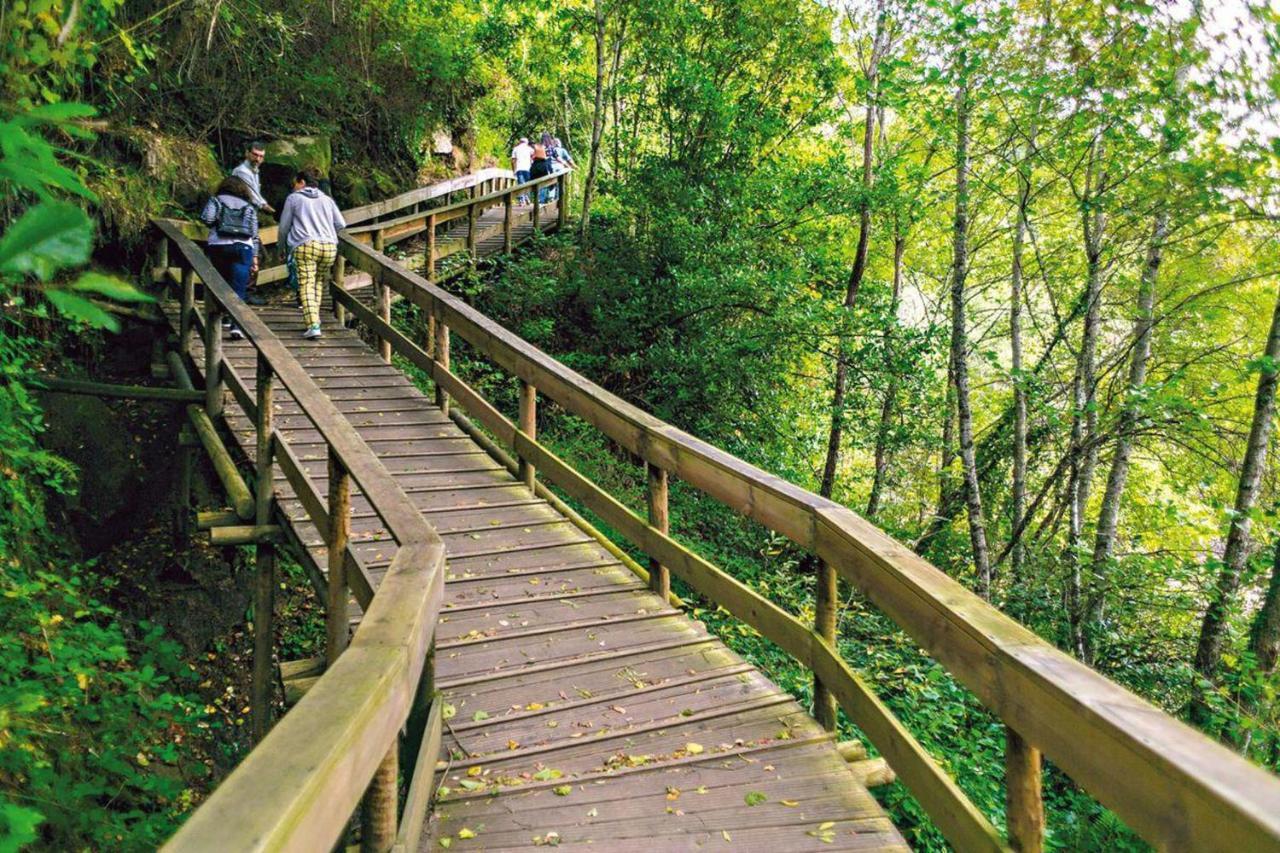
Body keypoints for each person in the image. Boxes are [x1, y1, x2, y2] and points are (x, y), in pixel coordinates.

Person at [277, 169, 346, 339]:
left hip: (305, 245)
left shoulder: (294, 198)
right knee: (318, 282)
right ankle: (315, 318)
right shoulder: (327, 200)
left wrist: (281, 248)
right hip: (329, 246)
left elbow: (284, 227)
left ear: (301, 182)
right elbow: (341, 224)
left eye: (295, 184)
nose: (293, 187)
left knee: (306, 284)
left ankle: (313, 325)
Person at [199, 176, 260, 340]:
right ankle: (236, 325)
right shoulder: (249, 207)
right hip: (243, 247)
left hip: (219, 246)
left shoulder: (216, 200)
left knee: (221, 283)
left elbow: (207, 218)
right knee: (239, 286)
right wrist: (255, 257)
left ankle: (223, 316)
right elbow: (254, 235)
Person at [231, 141, 275, 214]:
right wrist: (273, 212)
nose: (258, 159)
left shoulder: (254, 171)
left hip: (247, 213)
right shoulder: (242, 171)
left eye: (261, 156)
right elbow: (252, 196)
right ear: (247, 153)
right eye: (255, 155)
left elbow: (256, 194)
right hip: (238, 214)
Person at [511, 136, 533, 202]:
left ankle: (521, 200)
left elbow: (513, 160)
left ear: (520, 142)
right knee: (527, 183)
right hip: (528, 169)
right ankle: (527, 197)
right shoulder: (530, 149)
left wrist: (513, 170)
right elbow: (533, 158)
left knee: (521, 184)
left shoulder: (515, 149)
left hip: (519, 168)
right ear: (527, 142)